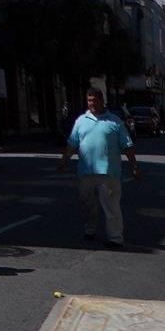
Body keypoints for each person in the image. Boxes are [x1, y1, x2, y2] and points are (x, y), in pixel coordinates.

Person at [61, 87, 141, 248]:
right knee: (87, 203)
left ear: (101, 100)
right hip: (86, 172)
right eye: (89, 100)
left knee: (111, 206)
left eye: (94, 100)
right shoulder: (81, 121)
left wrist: (134, 166)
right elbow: (72, 144)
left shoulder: (114, 122)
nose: (92, 103)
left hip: (108, 172)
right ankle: (90, 230)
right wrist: (64, 160)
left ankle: (115, 238)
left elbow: (128, 146)